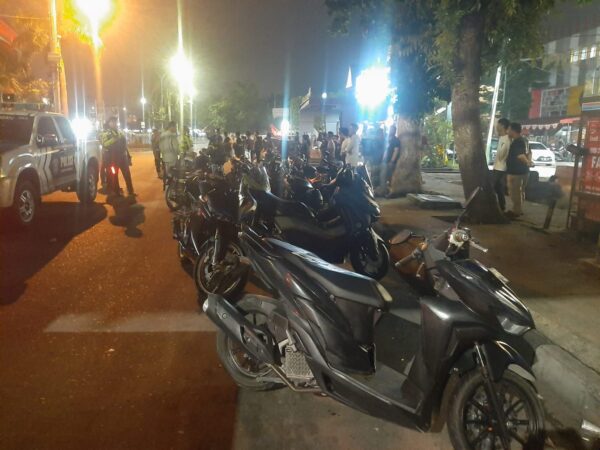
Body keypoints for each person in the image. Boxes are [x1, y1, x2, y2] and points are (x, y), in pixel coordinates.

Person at [100, 116, 135, 197]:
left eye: (115, 122)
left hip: (123, 157)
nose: (115, 123)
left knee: (127, 174)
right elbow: (105, 144)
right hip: (113, 158)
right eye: (112, 122)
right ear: (109, 123)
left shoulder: (120, 132)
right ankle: (116, 191)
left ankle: (130, 190)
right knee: (114, 175)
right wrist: (114, 139)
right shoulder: (106, 133)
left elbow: (125, 145)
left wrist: (128, 156)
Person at [505, 122, 530, 219]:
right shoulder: (524, 140)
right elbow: (529, 153)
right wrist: (529, 162)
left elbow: (520, 155)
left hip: (516, 172)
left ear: (513, 130)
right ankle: (519, 209)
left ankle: (516, 211)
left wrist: (527, 162)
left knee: (514, 192)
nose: (507, 131)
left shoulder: (517, 142)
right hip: (524, 171)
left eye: (509, 129)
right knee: (520, 191)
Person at [492, 118, 511, 211]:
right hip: (497, 166)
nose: (496, 126)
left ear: (502, 126)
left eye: (498, 125)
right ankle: (502, 205)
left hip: (501, 167)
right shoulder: (501, 138)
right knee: (498, 187)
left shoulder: (506, 139)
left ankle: (496, 205)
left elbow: (501, 155)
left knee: (493, 186)